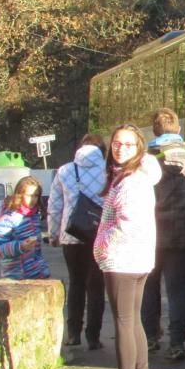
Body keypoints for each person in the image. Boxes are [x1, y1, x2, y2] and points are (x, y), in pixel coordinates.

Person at [94, 124, 161, 369]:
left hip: (123, 258)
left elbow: (128, 223)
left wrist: (103, 245)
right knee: (132, 320)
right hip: (137, 257)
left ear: (139, 148)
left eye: (128, 145)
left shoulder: (131, 181)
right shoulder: (132, 177)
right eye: (116, 143)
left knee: (124, 322)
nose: (120, 148)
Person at [141, 108, 185, 360]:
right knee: (178, 290)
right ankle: (177, 342)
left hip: (150, 232)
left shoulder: (146, 158)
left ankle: (150, 337)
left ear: (154, 131)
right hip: (184, 231)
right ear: (178, 129)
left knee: (148, 287)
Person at [47, 134, 107, 350]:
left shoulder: (65, 171)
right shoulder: (110, 170)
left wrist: (53, 233)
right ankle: (93, 335)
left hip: (71, 234)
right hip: (99, 233)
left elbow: (55, 206)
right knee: (97, 285)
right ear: (102, 149)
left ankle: (73, 333)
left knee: (76, 283)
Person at [0, 177, 50, 280]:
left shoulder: (34, 216)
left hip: (37, 274)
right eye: (29, 195)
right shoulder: (7, 218)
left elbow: (36, 252)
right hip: (16, 277)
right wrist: (20, 246)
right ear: (19, 194)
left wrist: (42, 268)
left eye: (36, 195)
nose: (33, 199)